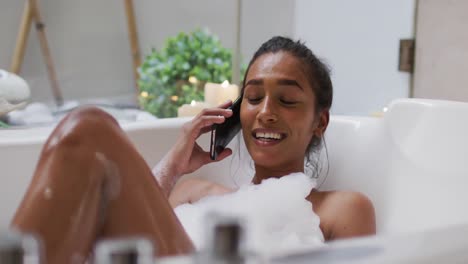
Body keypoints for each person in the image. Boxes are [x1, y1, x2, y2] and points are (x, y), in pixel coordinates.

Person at [10, 36, 375, 264]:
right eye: (253, 97)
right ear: (237, 111)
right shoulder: (193, 192)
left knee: (89, 132)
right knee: (86, 133)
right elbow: (117, 230)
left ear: (320, 122)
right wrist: (174, 164)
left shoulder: (343, 208)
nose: (266, 112)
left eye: (287, 100)